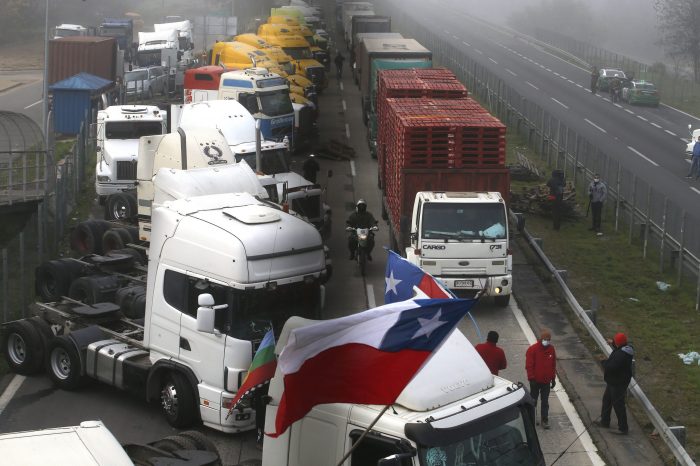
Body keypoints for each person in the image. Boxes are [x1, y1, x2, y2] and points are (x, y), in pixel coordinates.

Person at [599, 332, 634, 434]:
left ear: (618, 343)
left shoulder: (620, 355)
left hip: (618, 383)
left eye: (614, 341)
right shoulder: (625, 349)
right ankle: (604, 421)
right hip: (615, 381)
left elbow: (611, 367)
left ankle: (623, 428)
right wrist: (612, 342)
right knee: (607, 400)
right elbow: (618, 347)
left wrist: (603, 362)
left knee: (618, 405)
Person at [526, 329, 557, 429]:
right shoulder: (533, 349)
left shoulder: (551, 349)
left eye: (548, 340)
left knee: (545, 401)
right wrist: (531, 378)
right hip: (535, 381)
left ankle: (544, 419)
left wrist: (553, 378)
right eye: (545, 339)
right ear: (541, 339)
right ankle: (531, 418)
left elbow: (553, 365)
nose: (546, 341)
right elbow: (529, 365)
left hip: (546, 381)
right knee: (533, 400)